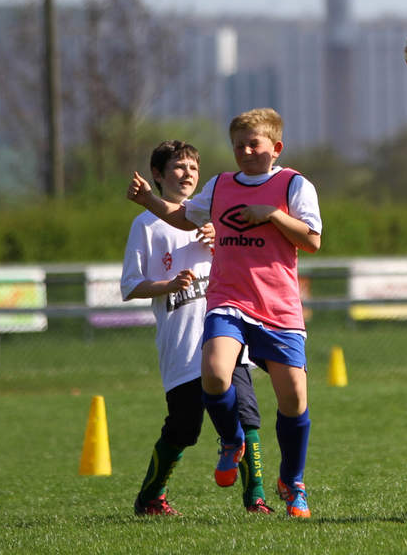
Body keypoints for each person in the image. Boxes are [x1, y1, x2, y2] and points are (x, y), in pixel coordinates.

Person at [127, 108, 323, 518]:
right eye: (239, 145)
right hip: (228, 301)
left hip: (276, 306)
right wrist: (149, 200)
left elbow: (312, 240)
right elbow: (183, 217)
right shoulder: (220, 185)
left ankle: (293, 482)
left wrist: (272, 214)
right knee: (215, 375)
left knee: (294, 399)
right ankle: (233, 446)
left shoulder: (294, 185)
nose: (246, 151)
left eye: (255, 144)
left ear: (276, 148)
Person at [122, 139, 271, 516]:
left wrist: (222, 241)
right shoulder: (147, 225)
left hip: (226, 334)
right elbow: (130, 285)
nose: (187, 173)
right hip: (181, 345)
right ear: (158, 175)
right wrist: (167, 285)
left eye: (192, 167)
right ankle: (151, 497)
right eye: (177, 167)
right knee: (185, 428)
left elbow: (249, 260)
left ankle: (255, 499)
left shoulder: (214, 218)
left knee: (245, 415)